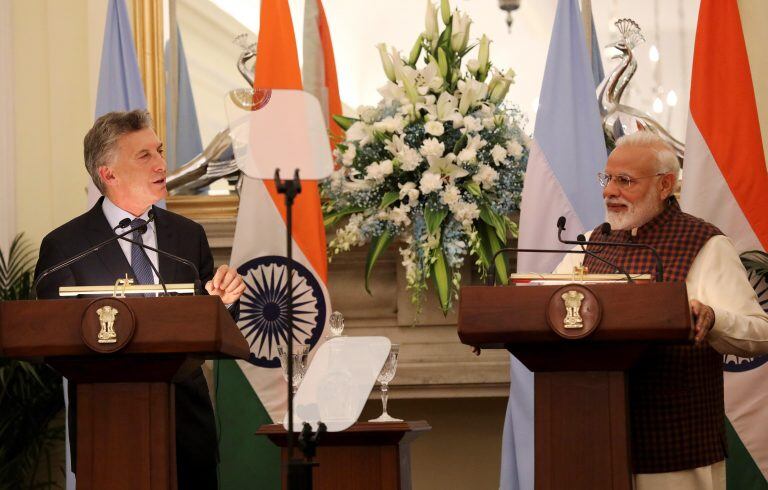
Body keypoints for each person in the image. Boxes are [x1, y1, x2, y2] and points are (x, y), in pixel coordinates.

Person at [34, 110, 245, 489]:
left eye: (159, 151)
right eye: (144, 155)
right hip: (108, 430)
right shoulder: (66, 247)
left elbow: (209, 328)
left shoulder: (187, 237)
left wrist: (221, 303)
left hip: (187, 431)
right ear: (108, 174)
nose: (162, 164)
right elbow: (53, 344)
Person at [554, 131, 768, 490]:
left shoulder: (705, 243)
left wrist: (713, 318)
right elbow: (543, 308)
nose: (609, 191)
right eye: (607, 179)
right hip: (593, 441)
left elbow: (759, 332)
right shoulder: (593, 241)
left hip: (673, 450)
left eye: (625, 181)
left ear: (665, 184)